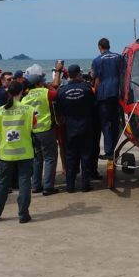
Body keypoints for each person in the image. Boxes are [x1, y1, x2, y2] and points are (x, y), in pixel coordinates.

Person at [0, 81, 36, 223]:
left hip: (6, 153)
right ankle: (23, 215)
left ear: (8, 92)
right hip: (25, 153)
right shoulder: (29, 109)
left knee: (2, 184)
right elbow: (35, 126)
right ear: (22, 92)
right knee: (24, 183)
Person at [56, 64, 96, 192]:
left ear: (68, 75)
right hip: (85, 125)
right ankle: (85, 185)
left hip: (70, 127)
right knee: (85, 155)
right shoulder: (87, 88)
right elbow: (93, 104)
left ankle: (70, 186)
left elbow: (59, 111)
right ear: (79, 74)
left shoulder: (61, 91)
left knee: (70, 156)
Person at [21, 68, 59, 196]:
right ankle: (48, 186)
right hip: (46, 129)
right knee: (50, 157)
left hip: (32, 131)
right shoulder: (45, 92)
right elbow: (56, 93)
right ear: (39, 82)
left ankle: (36, 185)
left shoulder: (25, 97)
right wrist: (48, 86)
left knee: (37, 158)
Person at [92, 38, 122, 160]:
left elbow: (97, 79)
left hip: (104, 94)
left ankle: (109, 151)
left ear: (100, 47)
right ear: (109, 46)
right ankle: (115, 148)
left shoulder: (97, 60)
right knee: (116, 122)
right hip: (118, 92)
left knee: (106, 124)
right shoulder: (119, 57)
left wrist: (94, 92)